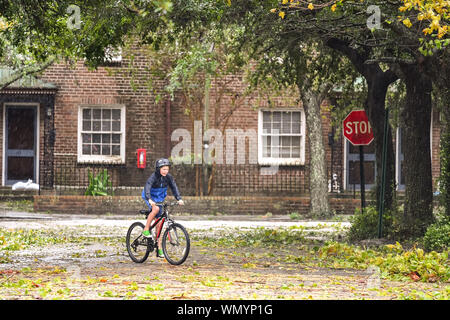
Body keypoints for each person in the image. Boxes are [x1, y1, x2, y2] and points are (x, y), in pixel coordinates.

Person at [141, 158, 184, 258]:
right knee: (155, 209)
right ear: (158, 169)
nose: (166, 171)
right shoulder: (153, 177)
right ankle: (146, 229)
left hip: (160, 198)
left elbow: (174, 187)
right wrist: (149, 199)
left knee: (159, 224)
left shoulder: (168, 177)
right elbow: (147, 187)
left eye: (167, 169)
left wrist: (178, 198)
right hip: (150, 197)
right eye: (163, 169)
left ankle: (159, 248)